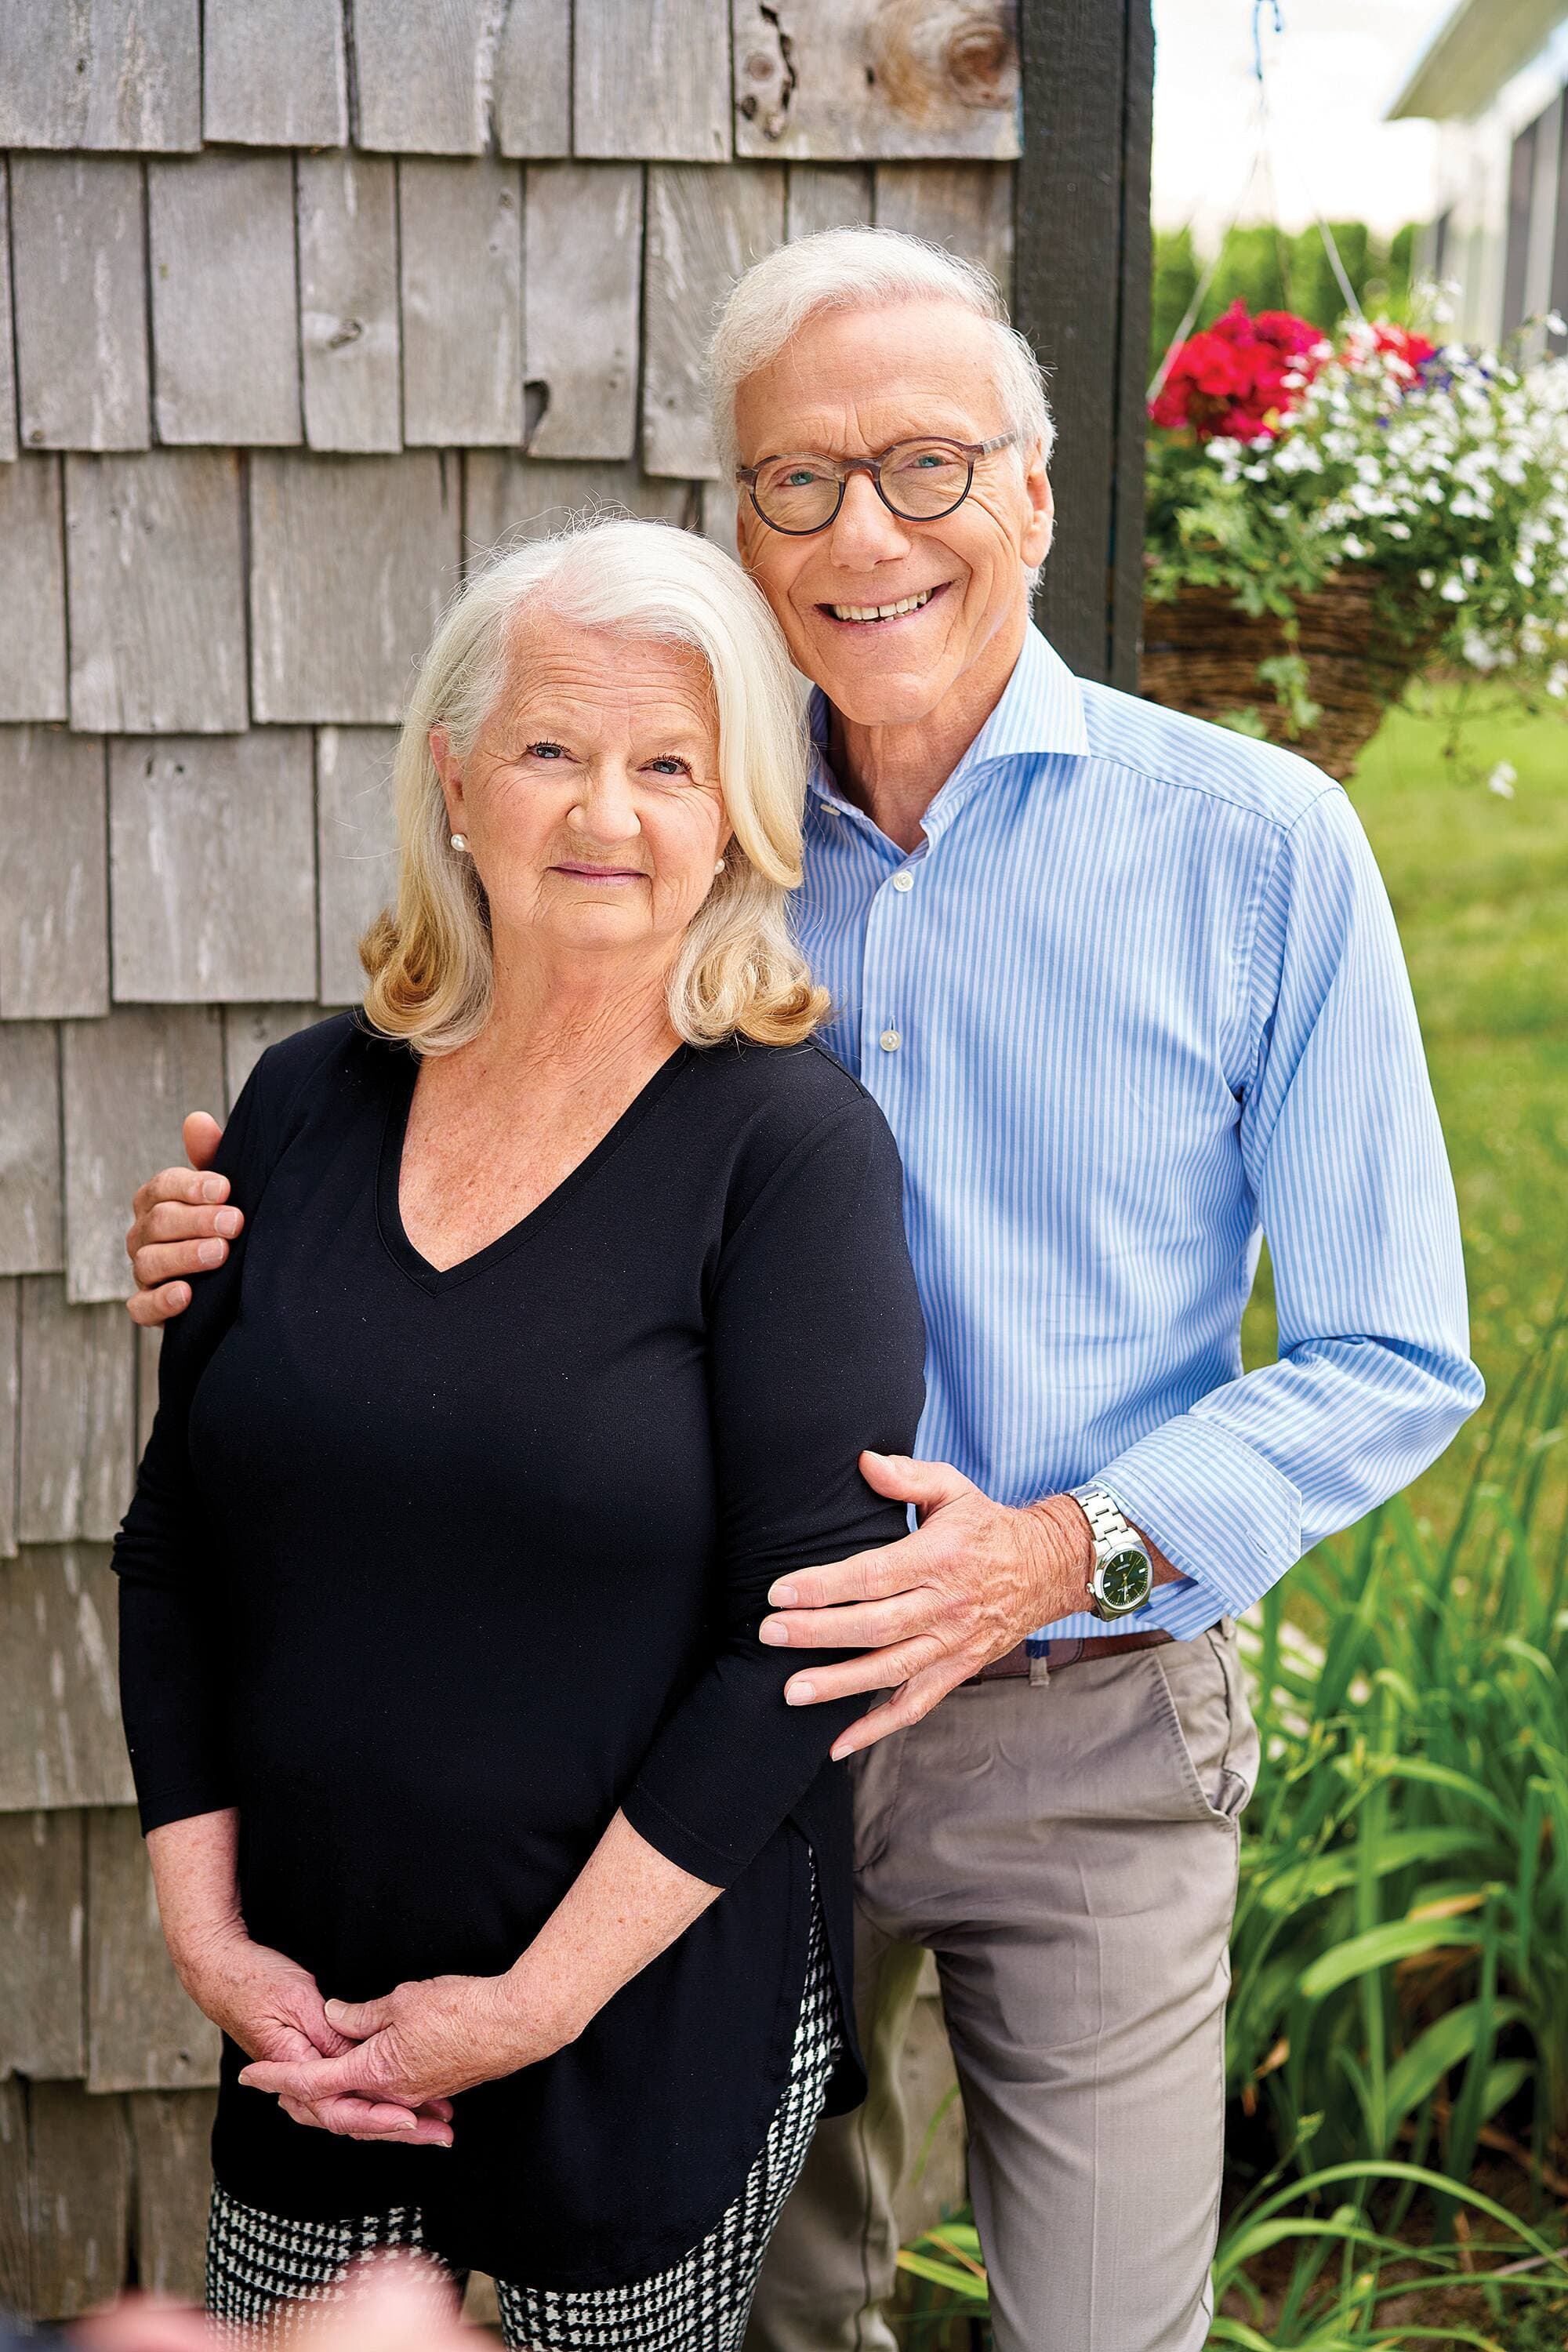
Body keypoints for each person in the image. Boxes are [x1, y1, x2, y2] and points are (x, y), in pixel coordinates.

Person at [124, 230, 1483, 2352]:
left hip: (1085, 1711)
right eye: (800, 482)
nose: (868, 532)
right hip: (724, 1725)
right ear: (738, 522)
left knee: (1102, 2325)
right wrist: (244, 1249)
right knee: (779, 2294)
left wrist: (1051, 1555)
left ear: (1038, 493)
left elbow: (1397, 1349)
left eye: (931, 468)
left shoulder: (1258, 846)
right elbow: (467, 1123)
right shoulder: (691, 818)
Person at [111, 519, 927, 2351]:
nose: (605, 813)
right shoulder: (304, 1101)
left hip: (635, 2011)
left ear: (734, 816)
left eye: (667, 766)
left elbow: (796, 1649)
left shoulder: (786, 1156)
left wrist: (538, 2000)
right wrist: (209, 1938)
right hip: (302, 2007)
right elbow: (177, 1546)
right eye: (554, 751)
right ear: (457, 780)